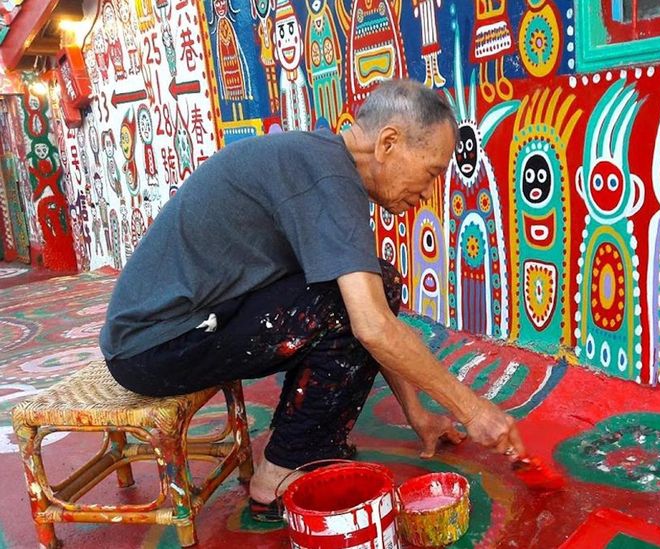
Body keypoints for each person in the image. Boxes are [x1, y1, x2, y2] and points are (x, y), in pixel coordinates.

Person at [99, 79, 525, 520]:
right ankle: (278, 476)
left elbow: (375, 312)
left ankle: (309, 448)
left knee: (377, 284)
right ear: (388, 143)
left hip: (184, 328)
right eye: (432, 171)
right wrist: (474, 411)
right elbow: (372, 325)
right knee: (350, 310)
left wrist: (417, 413)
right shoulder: (326, 176)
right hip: (155, 345)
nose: (429, 191)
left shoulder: (322, 165)